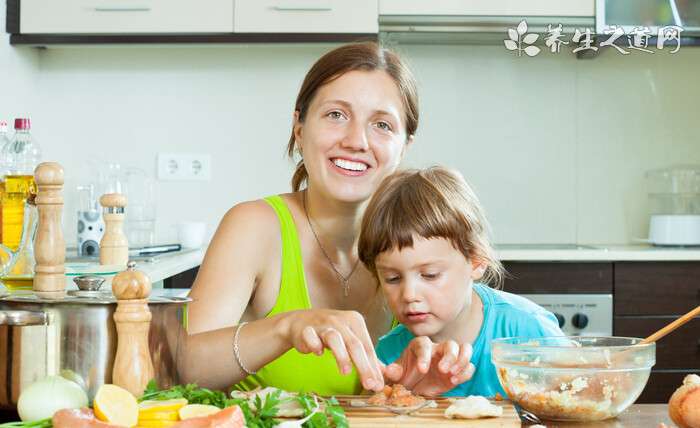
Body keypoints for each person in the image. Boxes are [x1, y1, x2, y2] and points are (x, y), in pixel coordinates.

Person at [178, 42, 468, 396]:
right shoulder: (254, 227)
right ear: (299, 127)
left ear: (405, 145)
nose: (356, 140)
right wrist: (287, 327)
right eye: (336, 115)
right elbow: (180, 366)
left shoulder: (419, 248)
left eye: (381, 124)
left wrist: (419, 386)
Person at [358, 166, 564, 397]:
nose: (409, 294)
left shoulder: (529, 329)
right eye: (392, 278)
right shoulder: (391, 354)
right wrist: (398, 393)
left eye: (430, 275)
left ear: (476, 262)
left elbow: (579, 396)